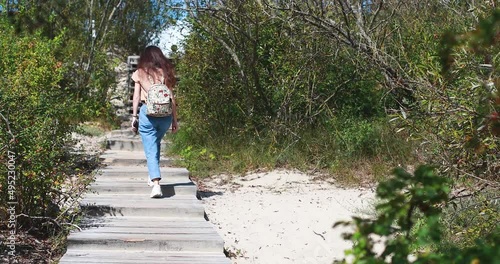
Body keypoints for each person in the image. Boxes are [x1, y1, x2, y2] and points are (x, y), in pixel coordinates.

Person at [131, 46, 178, 198]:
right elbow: (171, 98)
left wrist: (134, 116)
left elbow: (136, 97)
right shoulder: (165, 72)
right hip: (165, 115)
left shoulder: (139, 73)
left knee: (150, 148)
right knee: (155, 143)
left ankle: (156, 185)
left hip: (148, 114)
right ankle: (152, 174)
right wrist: (175, 120)